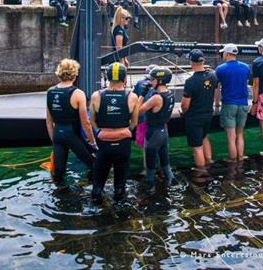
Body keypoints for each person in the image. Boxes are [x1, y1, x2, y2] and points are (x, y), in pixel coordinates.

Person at [89, 62, 138, 203]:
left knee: (97, 186)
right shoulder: (132, 97)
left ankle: (96, 213)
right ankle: (121, 215)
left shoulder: (96, 96)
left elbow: (92, 120)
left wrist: (99, 132)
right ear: (124, 78)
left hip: (103, 143)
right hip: (123, 143)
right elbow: (134, 123)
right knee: (120, 187)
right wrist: (124, 131)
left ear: (107, 77)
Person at [45, 58, 95, 184]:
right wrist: (92, 142)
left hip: (57, 135)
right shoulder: (78, 93)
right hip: (72, 136)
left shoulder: (50, 92)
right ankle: (86, 187)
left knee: (59, 173)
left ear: (59, 72)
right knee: (95, 165)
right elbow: (86, 123)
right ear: (75, 74)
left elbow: (49, 122)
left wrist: (55, 140)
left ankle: (61, 197)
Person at [139, 66, 177, 189]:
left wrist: (143, 94)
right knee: (166, 165)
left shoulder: (156, 98)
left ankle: (150, 194)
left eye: (153, 80)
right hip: (163, 133)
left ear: (160, 80)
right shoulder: (170, 94)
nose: (150, 82)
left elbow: (138, 110)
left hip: (153, 133)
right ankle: (173, 187)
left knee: (150, 169)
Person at [181, 50, 217, 171]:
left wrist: (183, 111)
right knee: (204, 137)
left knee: (197, 147)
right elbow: (217, 90)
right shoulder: (212, 76)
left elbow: (185, 105)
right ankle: (209, 161)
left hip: (194, 117)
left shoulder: (190, 82)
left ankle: (201, 172)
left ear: (191, 63)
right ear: (203, 61)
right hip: (208, 115)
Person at [215, 43, 250, 161]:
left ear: (227, 53)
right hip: (243, 104)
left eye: (223, 52)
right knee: (240, 134)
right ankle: (241, 157)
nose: (222, 54)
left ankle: (233, 161)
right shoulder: (245, 67)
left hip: (229, 104)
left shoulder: (220, 69)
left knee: (231, 137)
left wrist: (216, 104)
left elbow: (217, 88)